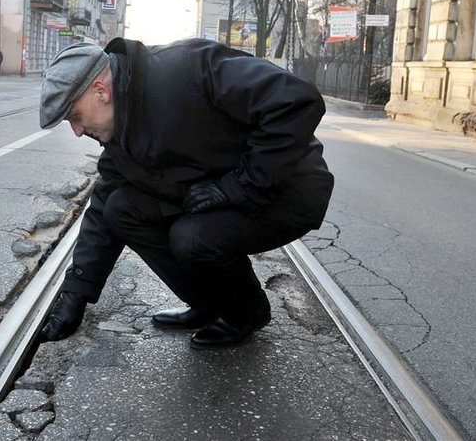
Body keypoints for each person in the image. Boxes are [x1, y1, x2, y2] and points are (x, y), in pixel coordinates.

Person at [38, 38, 334, 349]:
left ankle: (245, 313)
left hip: (286, 188)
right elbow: (101, 209)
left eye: (75, 116)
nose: (77, 131)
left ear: (101, 91)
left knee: (191, 237)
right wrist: (76, 294)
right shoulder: (120, 130)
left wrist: (237, 185)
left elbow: (297, 100)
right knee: (120, 209)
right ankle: (211, 304)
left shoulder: (187, 67)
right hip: (219, 191)